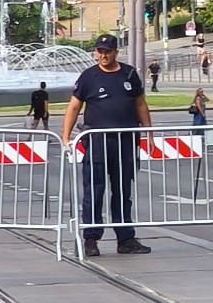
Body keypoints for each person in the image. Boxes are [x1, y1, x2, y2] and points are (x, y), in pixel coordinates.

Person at [61, 34, 153, 257]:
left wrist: (149, 133)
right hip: (97, 141)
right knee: (94, 190)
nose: (103, 55)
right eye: (100, 51)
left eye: (107, 52)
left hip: (125, 141)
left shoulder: (129, 74)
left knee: (123, 191)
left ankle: (125, 239)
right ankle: (91, 239)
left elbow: (141, 104)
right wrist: (65, 136)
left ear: (115, 52)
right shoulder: (88, 76)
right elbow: (74, 107)